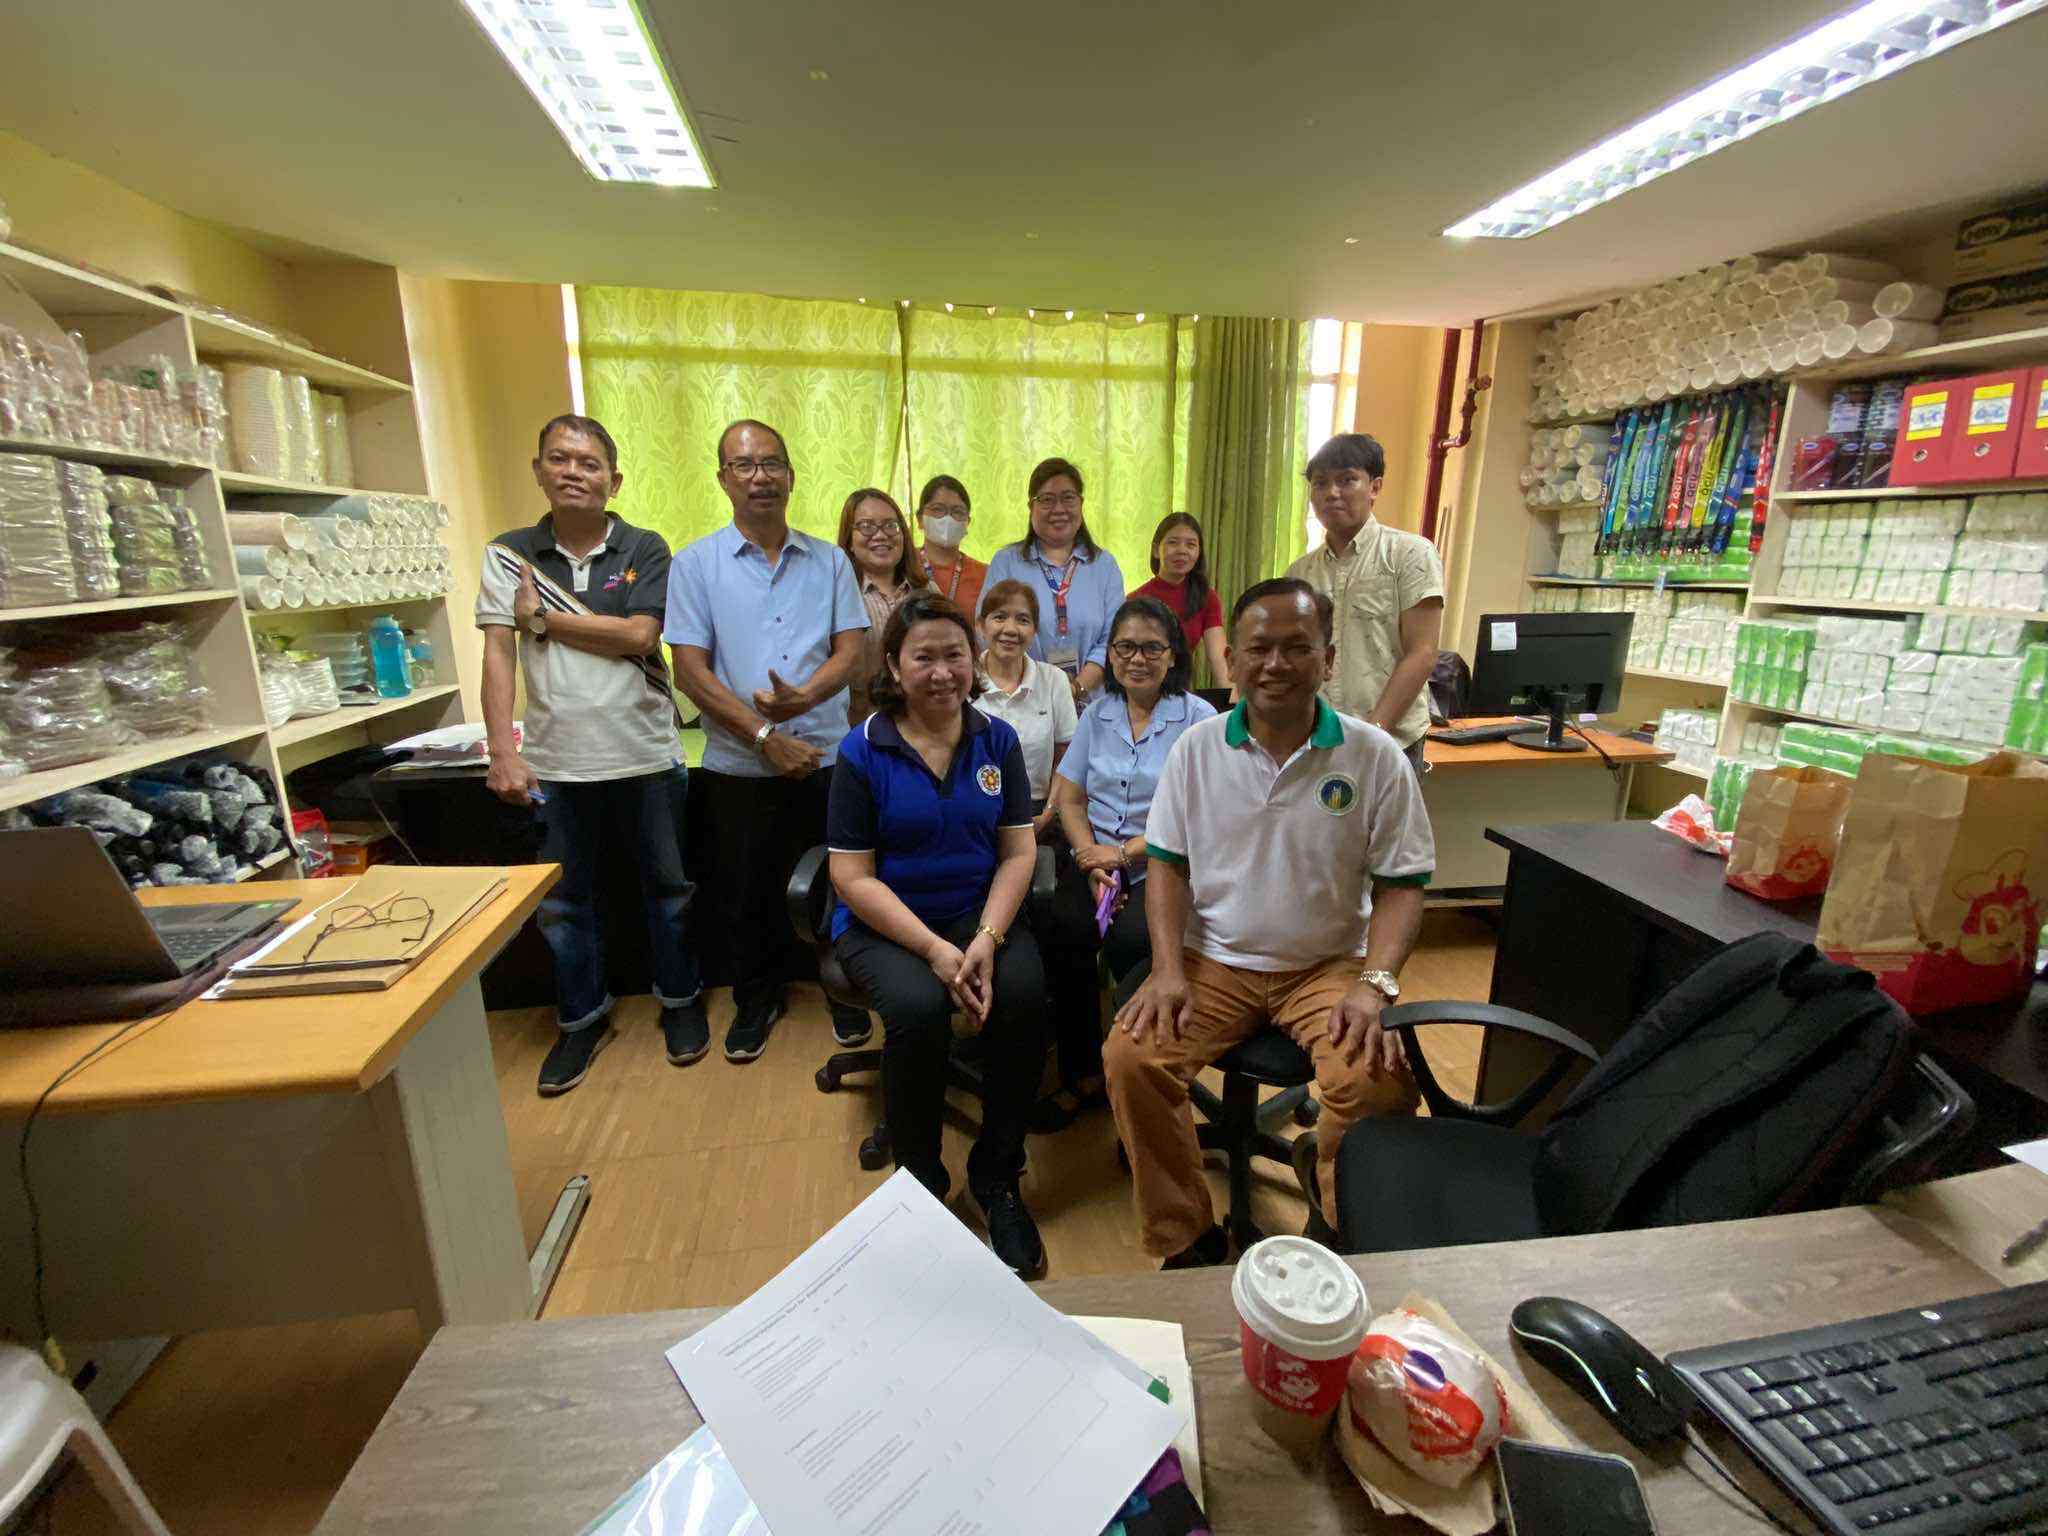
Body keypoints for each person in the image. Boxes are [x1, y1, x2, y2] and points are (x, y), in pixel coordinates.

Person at [1107, 578, 1435, 1268]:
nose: (1276, 664)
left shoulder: (1374, 756)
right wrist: (1167, 969)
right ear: (1232, 660)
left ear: (1329, 659)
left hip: (1328, 965)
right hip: (1214, 959)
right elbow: (1167, 867)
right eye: (1258, 648)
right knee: (1132, 1058)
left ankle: (1339, 1231)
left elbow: (1403, 886)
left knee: (1374, 1079)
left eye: (1297, 648)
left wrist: (1375, 983)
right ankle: (1185, 1236)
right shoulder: (1196, 750)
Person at [478, 413, 701, 1097]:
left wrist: (540, 619)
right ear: (538, 470)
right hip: (556, 762)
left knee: (670, 892)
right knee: (565, 906)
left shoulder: (644, 547)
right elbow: (497, 654)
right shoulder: (509, 555)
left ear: (614, 479)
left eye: (588, 462)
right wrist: (502, 750)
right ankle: (581, 1020)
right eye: (559, 459)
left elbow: (639, 636)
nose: (573, 471)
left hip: (645, 754)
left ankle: (680, 1002)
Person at [828, 593, 1050, 1275]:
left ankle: (996, 1175)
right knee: (919, 1009)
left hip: (975, 914)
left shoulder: (996, 740)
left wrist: (985, 937)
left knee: (1024, 998)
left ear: (974, 659)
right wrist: (931, 948)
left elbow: (1018, 852)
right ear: (894, 666)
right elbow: (850, 875)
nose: (942, 672)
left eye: (955, 655)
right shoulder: (863, 749)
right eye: (923, 657)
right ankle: (920, 1184)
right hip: (886, 922)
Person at [666, 419, 875, 1062]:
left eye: (772, 464)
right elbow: (689, 670)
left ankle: (845, 993)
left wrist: (804, 700)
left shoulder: (831, 560)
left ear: (791, 475)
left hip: (827, 756)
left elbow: (850, 650)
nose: (760, 476)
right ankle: (756, 1001)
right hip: (739, 765)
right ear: (723, 478)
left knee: (841, 883)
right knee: (746, 892)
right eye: (744, 465)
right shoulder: (695, 564)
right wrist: (764, 735)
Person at [1038, 596, 1217, 1132]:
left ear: (1173, 654)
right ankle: (1083, 1074)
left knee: (1133, 942)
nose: (1137, 659)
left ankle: (1144, 1083)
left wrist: (1124, 854)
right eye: (1125, 647)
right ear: (1111, 654)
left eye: (1151, 648)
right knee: (1064, 929)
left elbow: (1200, 814)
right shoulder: (1098, 714)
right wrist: (1088, 858)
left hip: (1164, 864)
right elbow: (1070, 800)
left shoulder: (1199, 720)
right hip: (1093, 859)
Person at [1284, 433, 1445, 773]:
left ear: (1375, 487)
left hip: (1391, 743)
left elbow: (1422, 652)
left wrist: (1372, 735)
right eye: (1320, 483)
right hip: (1317, 741)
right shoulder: (1299, 573)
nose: (1332, 493)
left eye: (1347, 480)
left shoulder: (1410, 554)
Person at [980, 458, 1125, 703]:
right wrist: (1033, 688)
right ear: (1031, 507)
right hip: (1021, 701)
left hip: (1091, 703)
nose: (1059, 509)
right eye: (1047, 499)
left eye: (1068, 498)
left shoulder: (1104, 565)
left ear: (1081, 503)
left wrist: (1075, 688)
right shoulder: (1006, 562)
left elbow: (1114, 639)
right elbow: (989, 630)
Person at [972, 577, 1077, 842]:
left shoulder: (1054, 680)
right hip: (973, 812)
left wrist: (1048, 814)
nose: (1010, 629)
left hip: (1039, 813)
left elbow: (1066, 757)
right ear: (980, 626)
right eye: (999, 617)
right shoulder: (964, 679)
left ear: (1034, 630)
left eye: (1022, 620)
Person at [837, 487, 928, 725]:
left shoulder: (927, 590)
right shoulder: (837, 595)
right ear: (849, 540)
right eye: (867, 526)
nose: (880, 535)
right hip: (860, 728)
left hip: (923, 724)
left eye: (890, 525)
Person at [1131, 512, 1227, 689]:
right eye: (1173, 542)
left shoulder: (1207, 598)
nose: (1182, 550)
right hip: (1140, 689)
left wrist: (1234, 701)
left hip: (1181, 693)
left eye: (1191, 544)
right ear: (1156, 550)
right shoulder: (1135, 600)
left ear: (1199, 552)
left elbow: (1219, 660)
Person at [913, 474, 986, 621]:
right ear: (920, 519)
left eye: (957, 511)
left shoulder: (986, 574)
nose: (947, 518)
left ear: (967, 523)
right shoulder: (904, 564)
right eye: (937, 509)